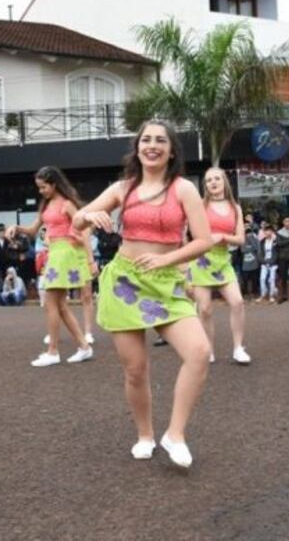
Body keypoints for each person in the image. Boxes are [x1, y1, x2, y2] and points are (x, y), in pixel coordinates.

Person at [72, 119, 212, 468]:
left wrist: (168, 258)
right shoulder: (123, 188)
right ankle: (145, 434)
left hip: (165, 283)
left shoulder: (184, 190)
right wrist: (92, 213)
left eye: (160, 140)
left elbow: (205, 240)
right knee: (135, 369)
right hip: (124, 283)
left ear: (171, 150)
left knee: (199, 352)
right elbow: (76, 220)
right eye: (146, 139)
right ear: (137, 148)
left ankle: (174, 434)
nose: (152, 145)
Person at [7, 166, 93, 367]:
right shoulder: (46, 205)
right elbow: (32, 230)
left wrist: (89, 260)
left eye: (43, 187)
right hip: (54, 253)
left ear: (54, 184)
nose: (41, 191)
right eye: (39, 187)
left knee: (52, 303)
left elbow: (85, 229)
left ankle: (53, 351)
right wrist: (16, 227)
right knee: (60, 305)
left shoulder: (68, 204)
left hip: (65, 253)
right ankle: (83, 347)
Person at [189, 167, 250, 364]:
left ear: (224, 181)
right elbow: (192, 234)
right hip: (201, 259)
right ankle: (209, 349)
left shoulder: (236, 208)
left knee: (238, 302)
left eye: (217, 178)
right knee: (205, 308)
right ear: (205, 186)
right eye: (208, 180)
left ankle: (238, 348)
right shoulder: (199, 205)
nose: (213, 183)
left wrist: (223, 236)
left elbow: (241, 239)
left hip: (223, 260)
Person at [258, 224, 278, 303]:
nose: (268, 233)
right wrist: (264, 261)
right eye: (266, 231)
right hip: (264, 263)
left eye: (269, 231)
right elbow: (260, 253)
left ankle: (271, 295)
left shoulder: (275, 242)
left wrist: (271, 261)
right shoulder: (262, 242)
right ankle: (263, 294)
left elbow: (276, 253)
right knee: (262, 279)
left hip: (273, 264)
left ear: (272, 232)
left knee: (271, 279)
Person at [240, 228, 260, 299]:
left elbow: (256, 248)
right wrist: (250, 248)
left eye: (250, 234)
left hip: (254, 263)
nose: (249, 235)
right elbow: (243, 250)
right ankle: (245, 293)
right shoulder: (243, 241)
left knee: (255, 279)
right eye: (247, 234)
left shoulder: (255, 240)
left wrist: (251, 240)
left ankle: (255, 292)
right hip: (245, 264)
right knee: (245, 280)